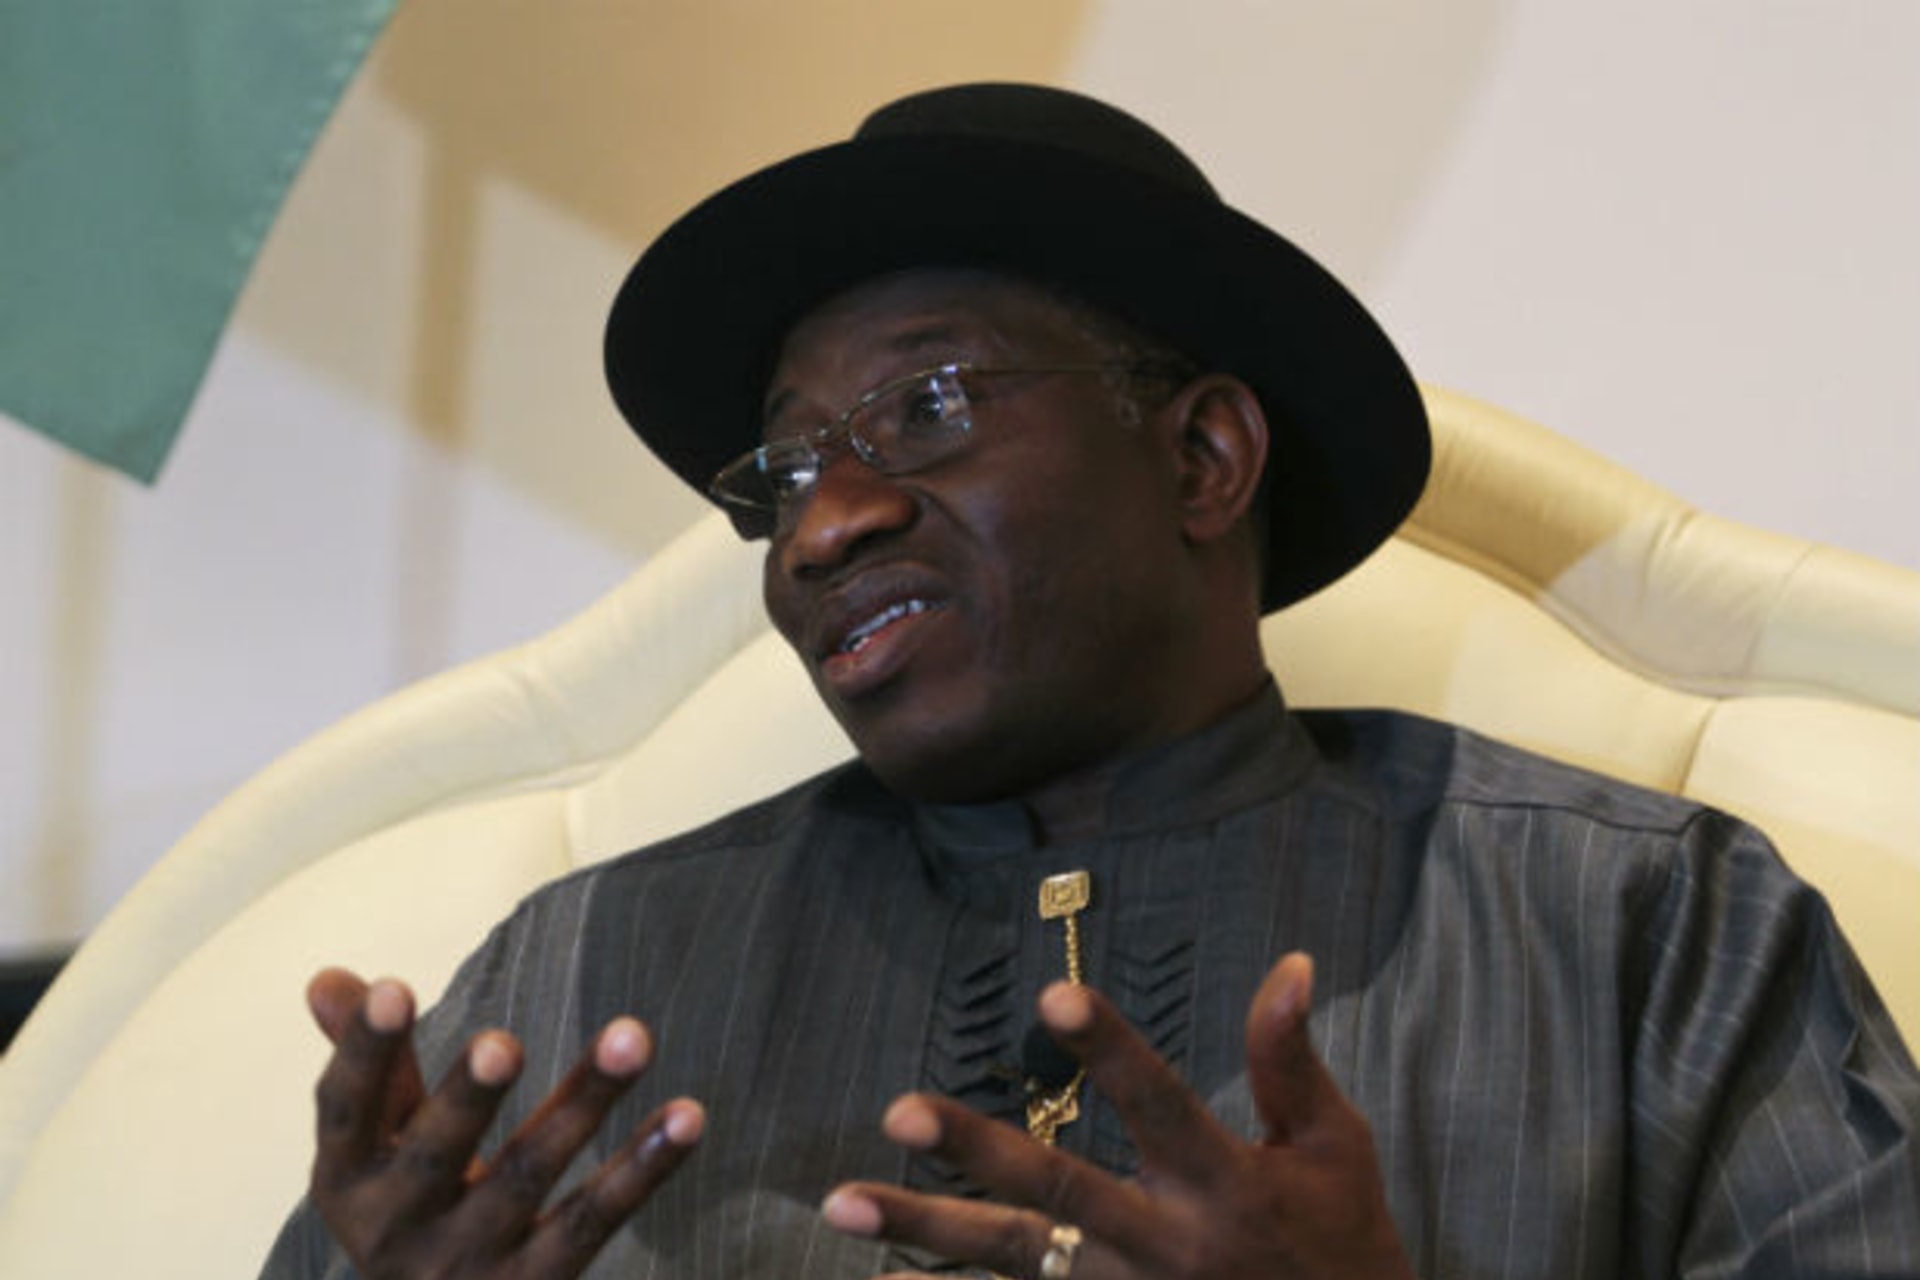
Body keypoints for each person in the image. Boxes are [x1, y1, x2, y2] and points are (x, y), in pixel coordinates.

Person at [260, 83, 1920, 1280]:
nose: (822, 526)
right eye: (779, 475)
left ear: (1203, 456)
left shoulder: (1644, 929)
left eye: (932, 407)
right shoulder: (577, 979)